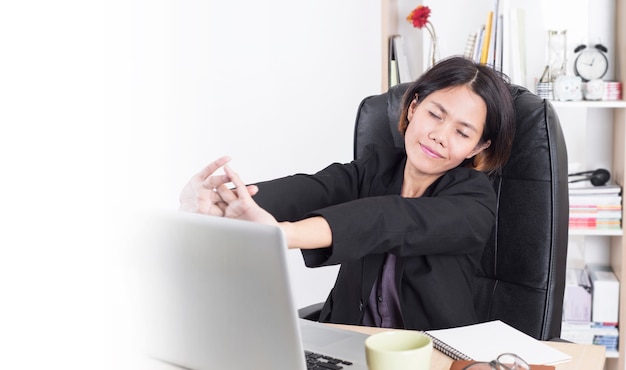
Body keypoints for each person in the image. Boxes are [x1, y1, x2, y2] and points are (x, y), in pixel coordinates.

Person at [179, 56, 516, 331]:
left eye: (461, 132)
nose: (440, 135)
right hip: (347, 345)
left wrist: (285, 234)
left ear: (479, 146)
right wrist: (220, 204)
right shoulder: (374, 169)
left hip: (431, 357)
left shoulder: (474, 203)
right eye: (434, 114)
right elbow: (310, 189)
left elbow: (389, 219)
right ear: (413, 108)